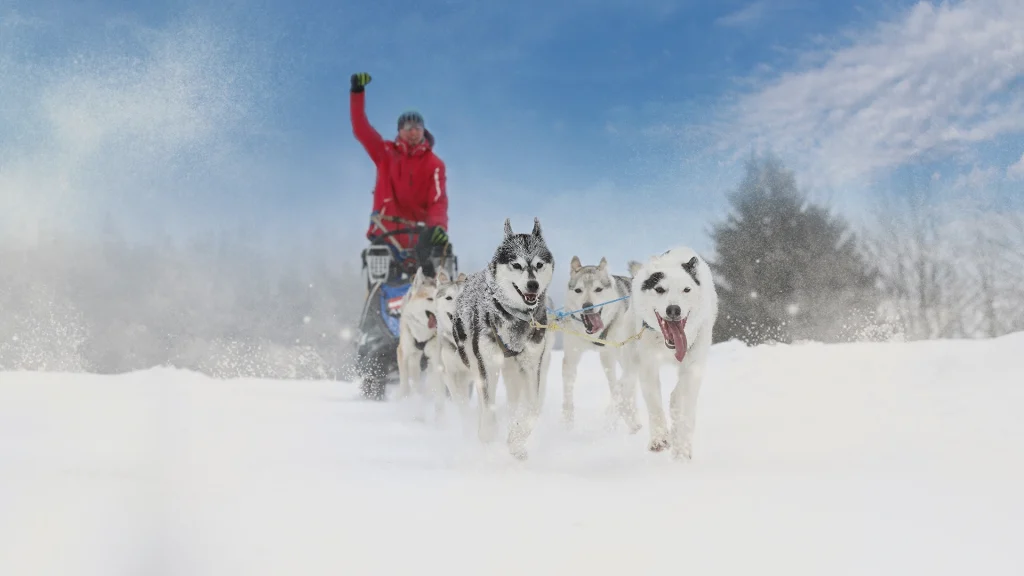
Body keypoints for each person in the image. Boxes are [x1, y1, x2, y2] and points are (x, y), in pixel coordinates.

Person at [350, 72, 450, 277]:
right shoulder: (385, 153)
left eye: (417, 127)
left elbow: (438, 202)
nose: (413, 132)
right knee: (380, 282)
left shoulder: (435, 165)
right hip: (385, 235)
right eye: (408, 127)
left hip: (420, 239)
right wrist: (357, 92)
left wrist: (438, 228)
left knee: (438, 280)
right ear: (399, 131)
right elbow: (361, 128)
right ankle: (375, 307)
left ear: (423, 131)